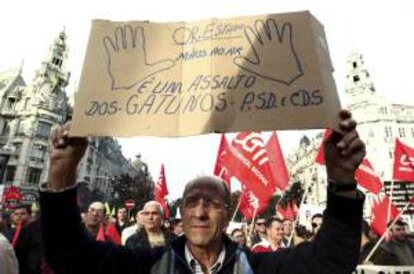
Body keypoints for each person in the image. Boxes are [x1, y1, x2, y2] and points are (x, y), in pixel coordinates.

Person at [40, 110, 366, 273]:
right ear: (180, 212)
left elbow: (333, 259)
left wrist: (342, 182)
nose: (199, 212)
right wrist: (61, 171)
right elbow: (69, 255)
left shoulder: (258, 267)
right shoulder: (149, 265)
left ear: (226, 213)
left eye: (210, 203)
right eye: (191, 202)